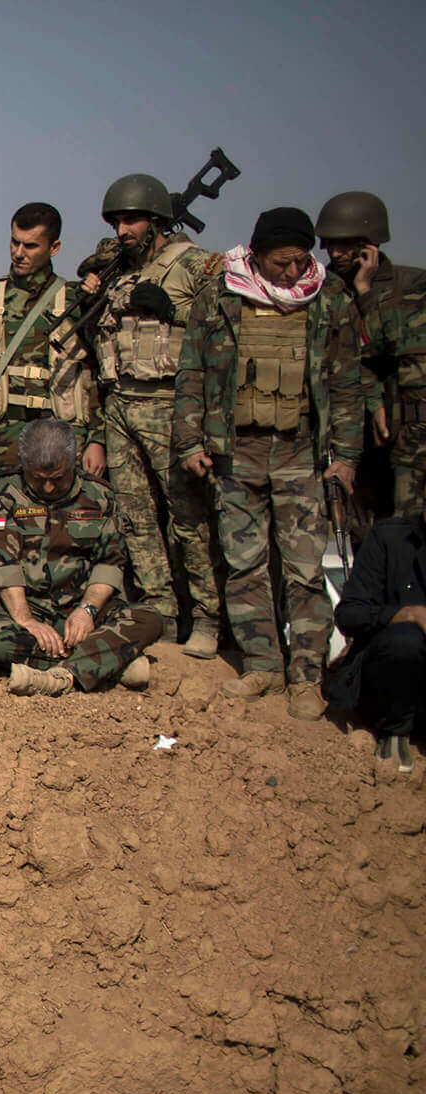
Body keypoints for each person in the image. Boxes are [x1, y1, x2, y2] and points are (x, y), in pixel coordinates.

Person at [173, 207, 365, 718]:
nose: (292, 272)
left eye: (301, 261)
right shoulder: (220, 296)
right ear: (256, 256)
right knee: (244, 566)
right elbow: (191, 373)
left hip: (301, 452)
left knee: (303, 570)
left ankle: (306, 676)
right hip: (236, 454)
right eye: (282, 263)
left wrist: (345, 457)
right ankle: (263, 666)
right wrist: (190, 442)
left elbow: (347, 385)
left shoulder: (331, 301)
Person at [80, 174, 225, 658]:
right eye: (117, 220)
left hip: (169, 404)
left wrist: (176, 316)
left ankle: (206, 617)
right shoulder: (116, 270)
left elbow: (231, 320)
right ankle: (159, 611)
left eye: (132, 219)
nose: (123, 229)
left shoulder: (193, 265)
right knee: (136, 520)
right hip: (120, 403)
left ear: (157, 221)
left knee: (188, 519)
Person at [0, 418, 162, 694]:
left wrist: (87, 610)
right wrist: (26, 620)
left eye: (57, 479)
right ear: (24, 464)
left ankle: (63, 673)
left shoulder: (99, 495)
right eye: (38, 479)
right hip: (22, 609)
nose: (48, 488)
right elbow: (2, 565)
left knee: (149, 619)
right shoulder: (0, 494)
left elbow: (109, 562)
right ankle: (107, 663)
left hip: (81, 608)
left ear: (76, 459)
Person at [316, 191, 426, 516]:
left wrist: (365, 292)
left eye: (344, 244)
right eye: (329, 244)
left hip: (402, 428)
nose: (335, 253)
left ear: (369, 243)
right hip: (344, 423)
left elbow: (396, 346)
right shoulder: (320, 287)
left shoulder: (413, 284)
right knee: (359, 525)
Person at [0, 203, 96, 455]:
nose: (18, 253)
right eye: (14, 242)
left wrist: (97, 441)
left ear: (54, 248)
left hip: (61, 440)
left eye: (30, 246)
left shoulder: (75, 301)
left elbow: (98, 376)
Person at [327, 508, 425, 769]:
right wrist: (406, 614)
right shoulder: (390, 537)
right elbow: (349, 614)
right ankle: (395, 731)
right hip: (389, 677)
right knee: (406, 640)